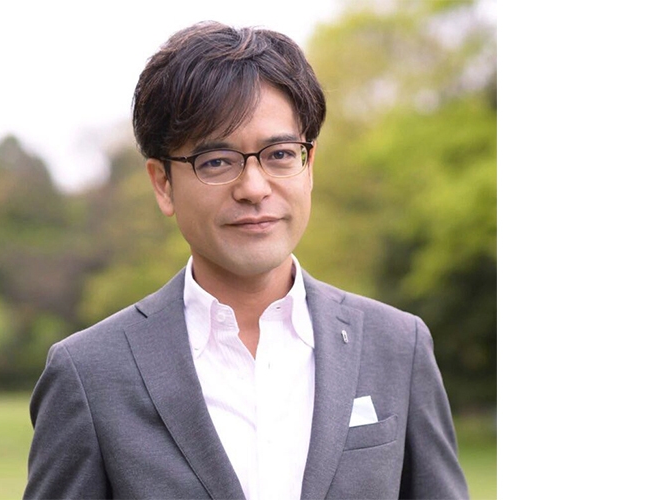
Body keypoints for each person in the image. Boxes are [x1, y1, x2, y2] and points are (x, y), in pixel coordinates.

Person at [24, 21, 468, 500]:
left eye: (280, 154)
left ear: (309, 166)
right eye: (217, 160)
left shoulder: (397, 346)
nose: (254, 188)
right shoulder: (90, 375)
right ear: (163, 183)